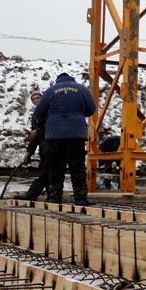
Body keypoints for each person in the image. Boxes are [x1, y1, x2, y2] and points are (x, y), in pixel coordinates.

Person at [33, 73, 96, 206]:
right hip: (76, 134)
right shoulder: (81, 89)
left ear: (57, 81)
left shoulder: (50, 91)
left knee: (56, 167)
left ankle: (55, 198)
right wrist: (78, 113)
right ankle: (81, 198)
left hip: (55, 135)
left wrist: (51, 119)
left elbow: (38, 113)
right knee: (77, 167)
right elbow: (91, 109)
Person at [16, 90, 48, 200]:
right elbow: (35, 138)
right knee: (47, 172)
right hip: (44, 149)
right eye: (33, 99)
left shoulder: (48, 111)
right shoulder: (35, 116)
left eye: (37, 98)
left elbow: (46, 130)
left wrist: (38, 132)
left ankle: (32, 194)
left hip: (52, 146)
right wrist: (29, 153)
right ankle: (50, 196)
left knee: (46, 173)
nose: (36, 100)